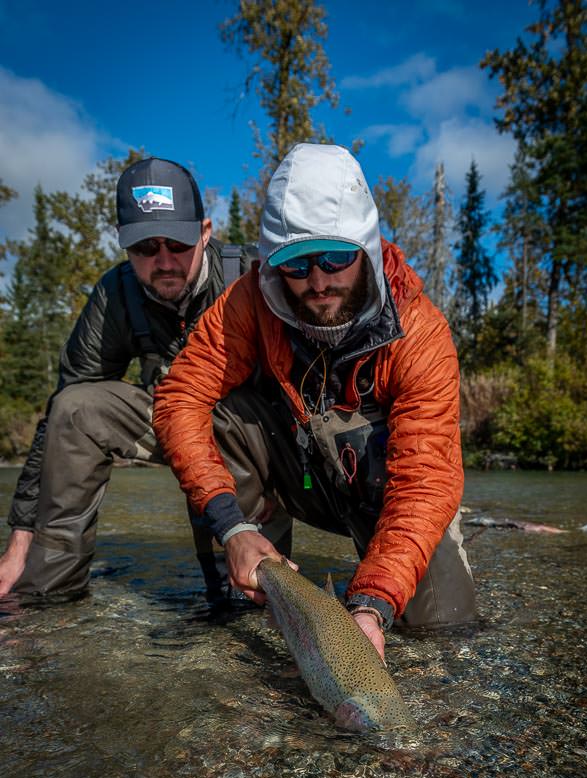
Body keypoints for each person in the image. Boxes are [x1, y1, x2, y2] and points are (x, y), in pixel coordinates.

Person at [153, 143, 476, 659]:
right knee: (220, 413)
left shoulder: (421, 333)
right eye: (297, 265)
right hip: (304, 478)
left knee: (444, 635)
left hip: (391, 495)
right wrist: (230, 527)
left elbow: (426, 482)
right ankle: (258, 581)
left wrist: (371, 605)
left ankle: (374, 587)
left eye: (336, 257)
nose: (319, 280)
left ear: (366, 248)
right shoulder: (249, 302)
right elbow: (180, 398)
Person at [0, 156, 289, 601]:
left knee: (240, 607)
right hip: (171, 425)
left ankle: (246, 587)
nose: (163, 261)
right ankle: (44, 594)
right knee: (75, 408)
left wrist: (285, 484)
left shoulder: (252, 280)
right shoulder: (116, 295)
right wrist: (20, 538)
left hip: (257, 445)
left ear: (205, 232)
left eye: (176, 243)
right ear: (124, 246)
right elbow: (58, 416)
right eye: (144, 248)